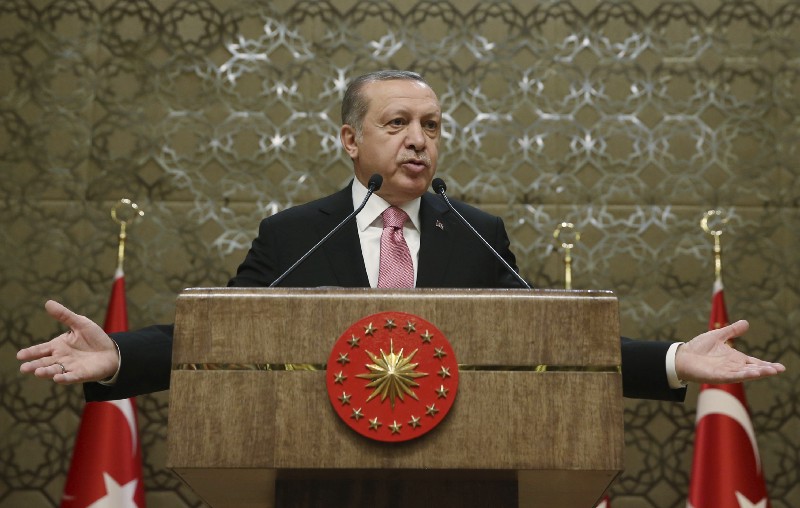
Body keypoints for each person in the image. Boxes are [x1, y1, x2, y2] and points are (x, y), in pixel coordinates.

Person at [17, 70, 785, 402]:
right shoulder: (295, 234)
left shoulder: (476, 233)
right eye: (397, 124)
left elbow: (549, 342)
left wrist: (679, 360)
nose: (419, 140)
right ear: (350, 141)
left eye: (432, 125)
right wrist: (118, 355)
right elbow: (221, 335)